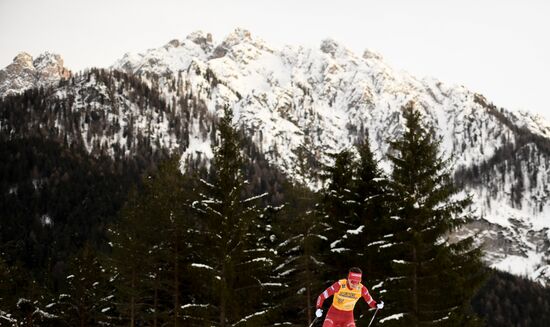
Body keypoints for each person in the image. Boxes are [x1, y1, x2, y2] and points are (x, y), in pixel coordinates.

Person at [315, 267, 383, 327]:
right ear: (348, 278)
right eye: (352, 281)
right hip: (333, 315)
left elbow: (370, 301)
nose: (354, 284)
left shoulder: (362, 289)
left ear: (360, 281)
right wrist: (318, 308)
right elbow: (321, 296)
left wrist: (377, 305)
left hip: (347, 317)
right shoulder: (339, 285)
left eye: (357, 282)